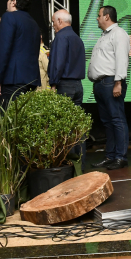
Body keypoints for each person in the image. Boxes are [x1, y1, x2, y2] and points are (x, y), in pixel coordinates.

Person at [88, 5, 131, 170]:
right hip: (100, 84)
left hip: (111, 82)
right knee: (107, 122)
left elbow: (121, 59)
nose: (97, 18)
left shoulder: (119, 33)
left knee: (117, 119)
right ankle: (110, 156)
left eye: (99, 15)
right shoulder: (104, 35)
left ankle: (121, 157)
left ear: (107, 17)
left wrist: (118, 82)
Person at [48, 9, 87, 170]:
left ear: (59, 21)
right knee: (77, 126)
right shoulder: (77, 38)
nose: (53, 26)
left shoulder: (61, 37)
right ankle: (80, 163)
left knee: (64, 126)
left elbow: (58, 63)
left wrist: (53, 84)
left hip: (64, 85)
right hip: (78, 85)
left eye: (53, 22)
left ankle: (68, 164)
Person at [0, 0, 41, 108]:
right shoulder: (34, 23)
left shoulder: (9, 17)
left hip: (13, 79)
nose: (7, 2)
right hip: (31, 79)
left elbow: (3, 50)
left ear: (14, 2)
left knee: (11, 121)